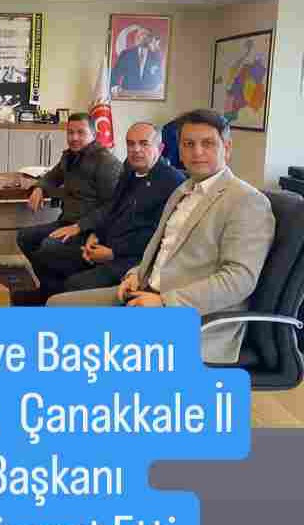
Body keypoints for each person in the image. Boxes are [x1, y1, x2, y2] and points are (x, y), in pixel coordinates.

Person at [48, 109, 276, 365]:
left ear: (227, 148)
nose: (197, 152)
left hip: (189, 318)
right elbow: (162, 249)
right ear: (179, 150)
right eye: (188, 144)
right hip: (144, 292)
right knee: (56, 307)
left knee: (79, 345)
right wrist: (135, 274)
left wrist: (165, 302)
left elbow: (238, 280)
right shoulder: (184, 189)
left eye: (208, 143)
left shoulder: (246, 201)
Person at [25, 122, 185, 299]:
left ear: (160, 148)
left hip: (133, 259)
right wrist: (96, 235)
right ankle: (47, 298)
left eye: (144, 143)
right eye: (130, 144)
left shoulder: (172, 181)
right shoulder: (130, 168)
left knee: (75, 284)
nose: (136, 150)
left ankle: (58, 302)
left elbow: (157, 235)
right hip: (106, 243)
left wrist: (113, 252)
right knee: (46, 256)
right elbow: (112, 207)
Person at [15, 112, 122, 302]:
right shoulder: (70, 156)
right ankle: (50, 290)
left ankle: (60, 293)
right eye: (70, 132)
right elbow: (52, 176)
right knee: (26, 237)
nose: (74, 138)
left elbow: (112, 206)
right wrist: (40, 187)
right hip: (67, 222)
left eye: (81, 132)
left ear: (94, 134)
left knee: (49, 248)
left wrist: (79, 227)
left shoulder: (106, 163)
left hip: (91, 230)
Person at [111, 28, 164, 95]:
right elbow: (116, 72)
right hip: (127, 93)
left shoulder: (156, 55)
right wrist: (114, 86)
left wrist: (161, 84)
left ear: (150, 38)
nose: (141, 37)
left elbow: (160, 74)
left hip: (149, 94)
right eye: (139, 35)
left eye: (146, 35)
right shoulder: (126, 53)